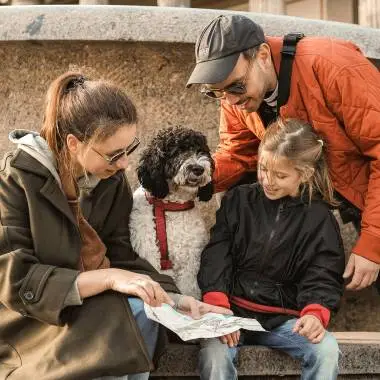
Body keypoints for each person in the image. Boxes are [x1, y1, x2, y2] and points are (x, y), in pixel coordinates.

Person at [0, 72, 223, 380]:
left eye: (129, 150)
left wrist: (180, 301)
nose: (124, 165)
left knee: (144, 313)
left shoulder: (110, 180)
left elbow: (122, 254)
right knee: (127, 321)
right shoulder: (15, 180)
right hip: (32, 325)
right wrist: (109, 278)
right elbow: (17, 283)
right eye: (114, 154)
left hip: (93, 310)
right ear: (74, 143)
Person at [186, 14, 380, 292]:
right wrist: (194, 178)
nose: (230, 100)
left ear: (263, 55)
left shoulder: (333, 66)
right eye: (215, 93)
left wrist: (373, 243)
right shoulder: (235, 99)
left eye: (236, 86)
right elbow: (238, 154)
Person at [197, 118, 345, 380]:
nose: (268, 180)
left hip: (285, 320)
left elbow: (324, 271)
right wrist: (216, 304)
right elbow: (217, 253)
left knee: (326, 349)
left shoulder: (320, 219)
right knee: (214, 353)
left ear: (305, 174)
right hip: (231, 314)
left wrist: (315, 312)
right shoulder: (238, 200)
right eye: (263, 169)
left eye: (280, 175)